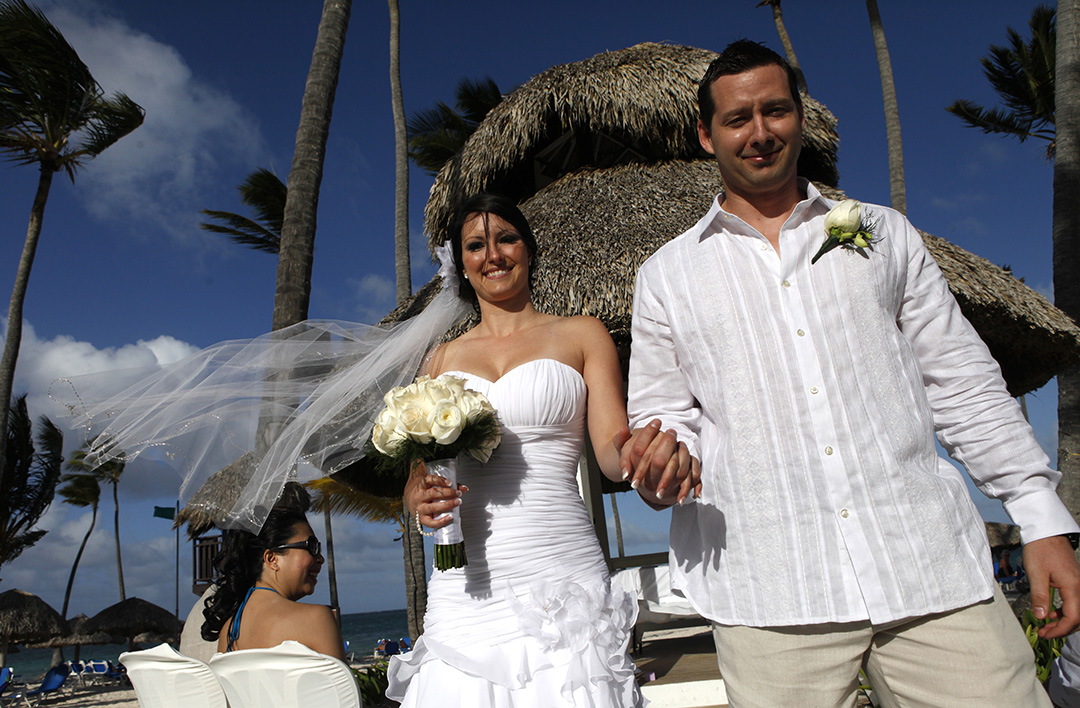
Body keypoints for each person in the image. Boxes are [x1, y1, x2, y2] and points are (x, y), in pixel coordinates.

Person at [621, 39, 1080, 707]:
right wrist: (665, 467)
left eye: (775, 111)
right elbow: (664, 416)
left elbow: (962, 384)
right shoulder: (666, 275)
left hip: (928, 569)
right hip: (770, 589)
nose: (759, 132)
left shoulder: (884, 233)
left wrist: (1039, 518)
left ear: (800, 118)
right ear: (705, 134)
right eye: (737, 118)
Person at [386, 193, 684, 707]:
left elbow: (612, 451)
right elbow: (421, 479)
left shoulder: (582, 334)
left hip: (562, 573)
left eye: (506, 238)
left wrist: (639, 451)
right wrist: (418, 496)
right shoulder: (438, 361)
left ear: (528, 249)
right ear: (461, 264)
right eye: (476, 245)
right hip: (466, 588)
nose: (493, 255)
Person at [201, 499, 344, 659]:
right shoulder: (317, 618)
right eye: (311, 547)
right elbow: (343, 684)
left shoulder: (229, 632)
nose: (320, 558)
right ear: (272, 558)